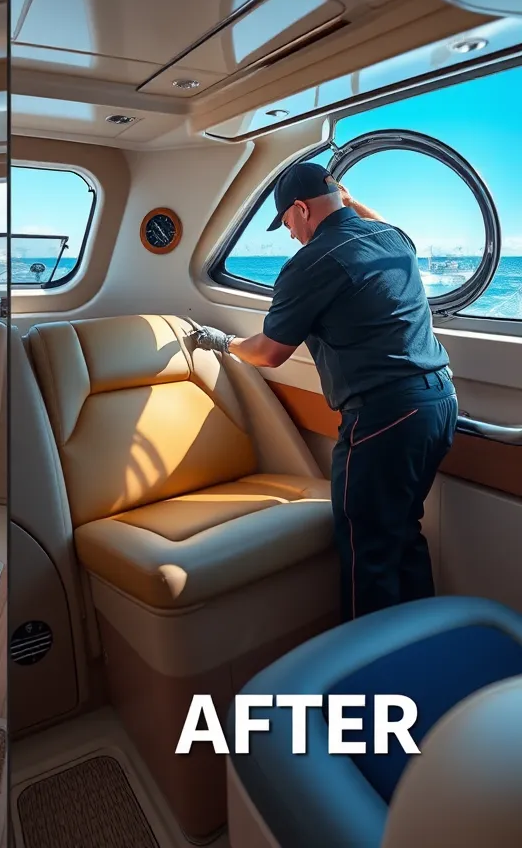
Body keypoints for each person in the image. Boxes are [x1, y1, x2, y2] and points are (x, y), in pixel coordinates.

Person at [192, 161, 458, 622]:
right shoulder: (393, 239)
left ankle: (367, 661)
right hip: (439, 403)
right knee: (402, 533)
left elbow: (270, 352)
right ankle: (423, 648)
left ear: (301, 209)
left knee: (366, 553)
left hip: (386, 417)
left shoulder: (311, 262)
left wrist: (223, 342)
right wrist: (347, 200)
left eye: (287, 223)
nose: (290, 234)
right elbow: (376, 221)